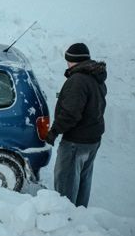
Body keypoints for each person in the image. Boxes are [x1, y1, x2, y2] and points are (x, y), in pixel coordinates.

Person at [45, 43, 107, 207]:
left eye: (68, 60)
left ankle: (66, 220)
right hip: (92, 139)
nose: (67, 63)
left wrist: (54, 131)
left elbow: (70, 113)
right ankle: (79, 217)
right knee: (82, 181)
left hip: (76, 142)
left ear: (74, 61)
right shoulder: (95, 76)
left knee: (66, 186)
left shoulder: (78, 80)